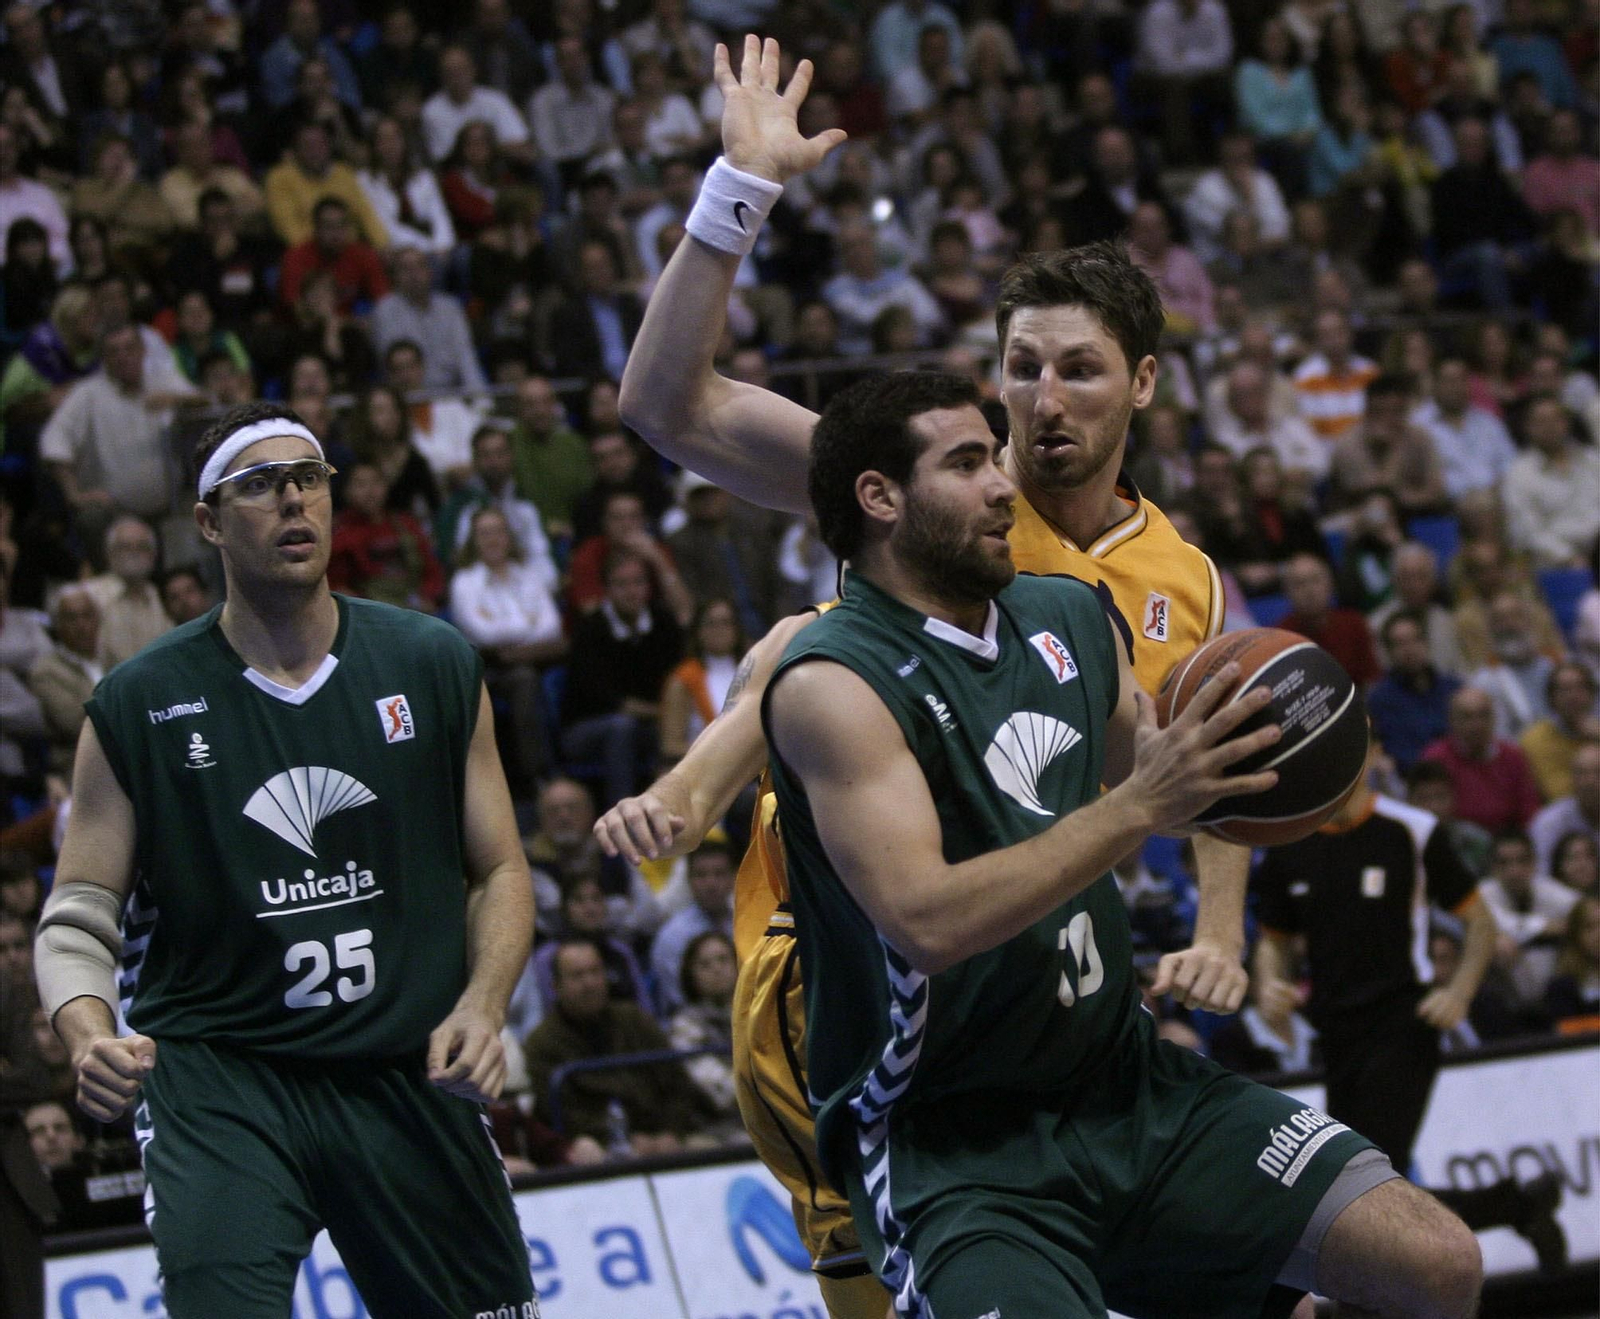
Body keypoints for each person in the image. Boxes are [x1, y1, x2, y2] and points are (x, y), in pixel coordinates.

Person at [615, 38, 1276, 1313]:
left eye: (1076, 368)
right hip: (849, 964)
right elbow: (670, 409)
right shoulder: (925, 492)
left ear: (1141, 383)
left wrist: (1218, 933)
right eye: (1020, 366)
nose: (1040, 399)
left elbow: (1205, 767)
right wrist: (736, 192)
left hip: (1038, 998)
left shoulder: (1178, 575)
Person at [775, 363, 1486, 1316]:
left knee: (1437, 1265)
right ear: (880, 498)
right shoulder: (832, 683)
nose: (1003, 484)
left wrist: (1229, 882)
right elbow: (924, 921)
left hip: (1132, 1085)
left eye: (998, 455)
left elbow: (1184, 779)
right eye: (967, 462)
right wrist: (1138, 804)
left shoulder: (1067, 612)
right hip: (960, 1150)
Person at [33, 402, 538, 1315]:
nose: (293, 500)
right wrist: (86, 1032)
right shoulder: (138, 702)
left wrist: (484, 1003)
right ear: (209, 522)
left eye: (309, 477)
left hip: (405, 1062)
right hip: (225, 1078)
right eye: (259, 484)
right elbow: (77, 912)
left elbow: (500, 869)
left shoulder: (431, 661)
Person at [1255, 754, 1568, 1270]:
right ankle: (1514, 1204)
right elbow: (1274, 941)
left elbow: (1482, 925)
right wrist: (1270, 983)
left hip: (1402, 1024)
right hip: (1334, 1031)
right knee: (1363, 1187)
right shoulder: (1288, 846)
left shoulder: (1412, 830)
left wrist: (1459, 993)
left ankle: (1386, 1292)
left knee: (1364, 1181)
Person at [522, 938, 703, 1157]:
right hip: (599, 1147)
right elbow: (560, 1115)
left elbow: (678, 1083)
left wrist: (671, 1132)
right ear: (555, 987)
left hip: (665, 1137)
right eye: (577, 975)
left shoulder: (635, 1019)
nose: (589, 983)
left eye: (595, 971)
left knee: (709, 1146)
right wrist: (621, 1138)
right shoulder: (541, 1043)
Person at [1420, 686, 1545, 834]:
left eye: (1483, 715)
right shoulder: (1436, 758)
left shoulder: (1512, 756)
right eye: (1467, 717)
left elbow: (1528, 810)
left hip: (1506, 843)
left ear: (1494, 718)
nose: (1477, 724)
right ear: (1452, 720)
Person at [1478, 829, 1579, 1007]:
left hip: (1551, 998)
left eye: (1522, 861)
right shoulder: (1483, 893)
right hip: (1503, 1001)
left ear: (1534, 863)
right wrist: (1552, 927)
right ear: (1492, 867)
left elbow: (1584, 911)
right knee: (1498, 943)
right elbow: (1502, 923)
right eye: (1504, 863)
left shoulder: (1544, 887)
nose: (1514, 870)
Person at [650, 839, 736, 1013]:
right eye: (701, 875)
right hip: (693, 1025)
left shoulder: (748, 923)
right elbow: (679, 999)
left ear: (734, 877)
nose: (711, 884)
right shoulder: (672, 936)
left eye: (719, 873)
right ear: (688, 880)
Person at [1529, 740, 1600, 873]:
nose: (1590, 781)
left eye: (1598, 773)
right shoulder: (1549, 822)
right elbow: (1540, 877)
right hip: (1561, 892)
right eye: (1582, 773)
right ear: (1572, 778)